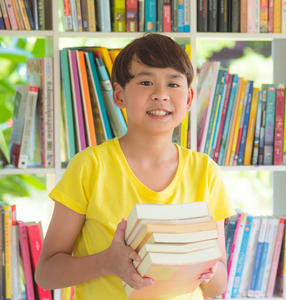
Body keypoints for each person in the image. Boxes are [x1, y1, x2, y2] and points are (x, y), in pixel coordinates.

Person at [35, 33, 236, 300]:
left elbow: (216, 286)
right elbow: (46, 273)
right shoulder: (90, 166)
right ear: (119, 95)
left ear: (188, 99)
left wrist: (207, 268)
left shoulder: (206, 172)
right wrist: (107, 262)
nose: (160, 95)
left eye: (173, 84)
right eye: (146, 81)